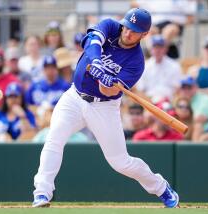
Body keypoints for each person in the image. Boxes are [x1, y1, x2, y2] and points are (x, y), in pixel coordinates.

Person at [32, 8, 179, 208]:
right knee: (54, 140)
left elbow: (109, 92)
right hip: (74, 97)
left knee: (120, 162)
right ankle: (42, 193)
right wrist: (97, 63)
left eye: (134, 31)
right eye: (127, 27)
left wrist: (106, 81)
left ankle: (161, 187)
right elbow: (91, 41)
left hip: (104, 107)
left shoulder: (136, 62)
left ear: (144, 35)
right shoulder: (111, 26)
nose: (127, 32)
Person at [136, 35, 183, 101]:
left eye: (160, 47)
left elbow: (178, 89)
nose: (158, 50)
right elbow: (140, 89)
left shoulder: (174, 65)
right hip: (149, 102)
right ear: (151, 49)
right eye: (155, 47)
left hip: (168, 102)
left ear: (166, 49)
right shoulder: (144, 66)